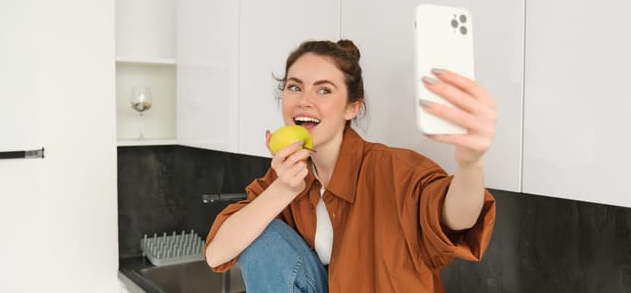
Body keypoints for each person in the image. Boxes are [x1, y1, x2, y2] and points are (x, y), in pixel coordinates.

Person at [204, 39, 496, 292]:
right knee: (261, 234)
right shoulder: (283, 177)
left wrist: (471, 163)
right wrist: (282, 190)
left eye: (324, 90)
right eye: (294, 87)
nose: (304, 101)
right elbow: (217, 254)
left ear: (352, 107)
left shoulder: (394, 170)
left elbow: (456, 218)